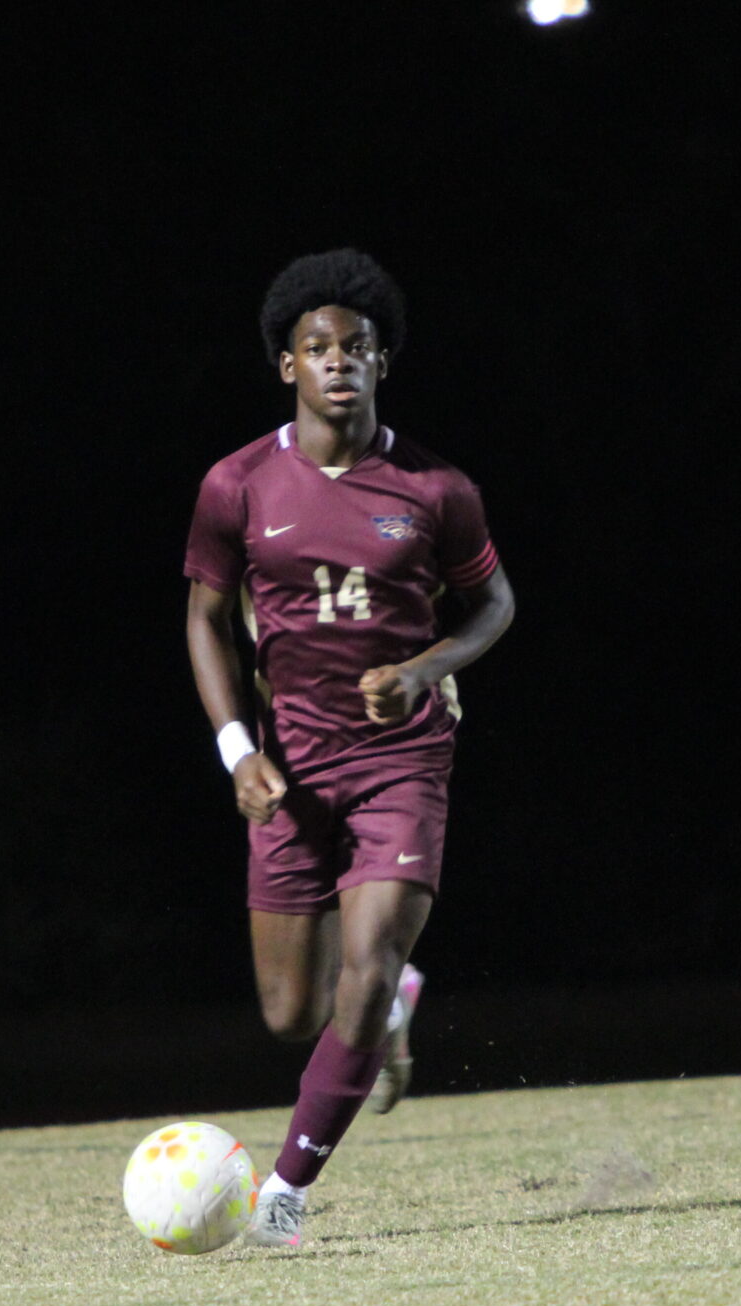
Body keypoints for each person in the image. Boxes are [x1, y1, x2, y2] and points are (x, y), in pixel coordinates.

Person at [184, 249, 515, 1247]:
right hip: (288, 766)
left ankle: (282, 1195)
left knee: (364, 966)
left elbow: (493, 602)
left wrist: (423, 669)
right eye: (317, 348)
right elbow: (202, 620)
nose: (338, 363)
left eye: (356, 348)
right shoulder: (236, 484)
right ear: (286, 364)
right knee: (294, 1013)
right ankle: (392, 1010)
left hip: (401, 756)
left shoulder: (434, 487)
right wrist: (237, 748)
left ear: (381, 362)